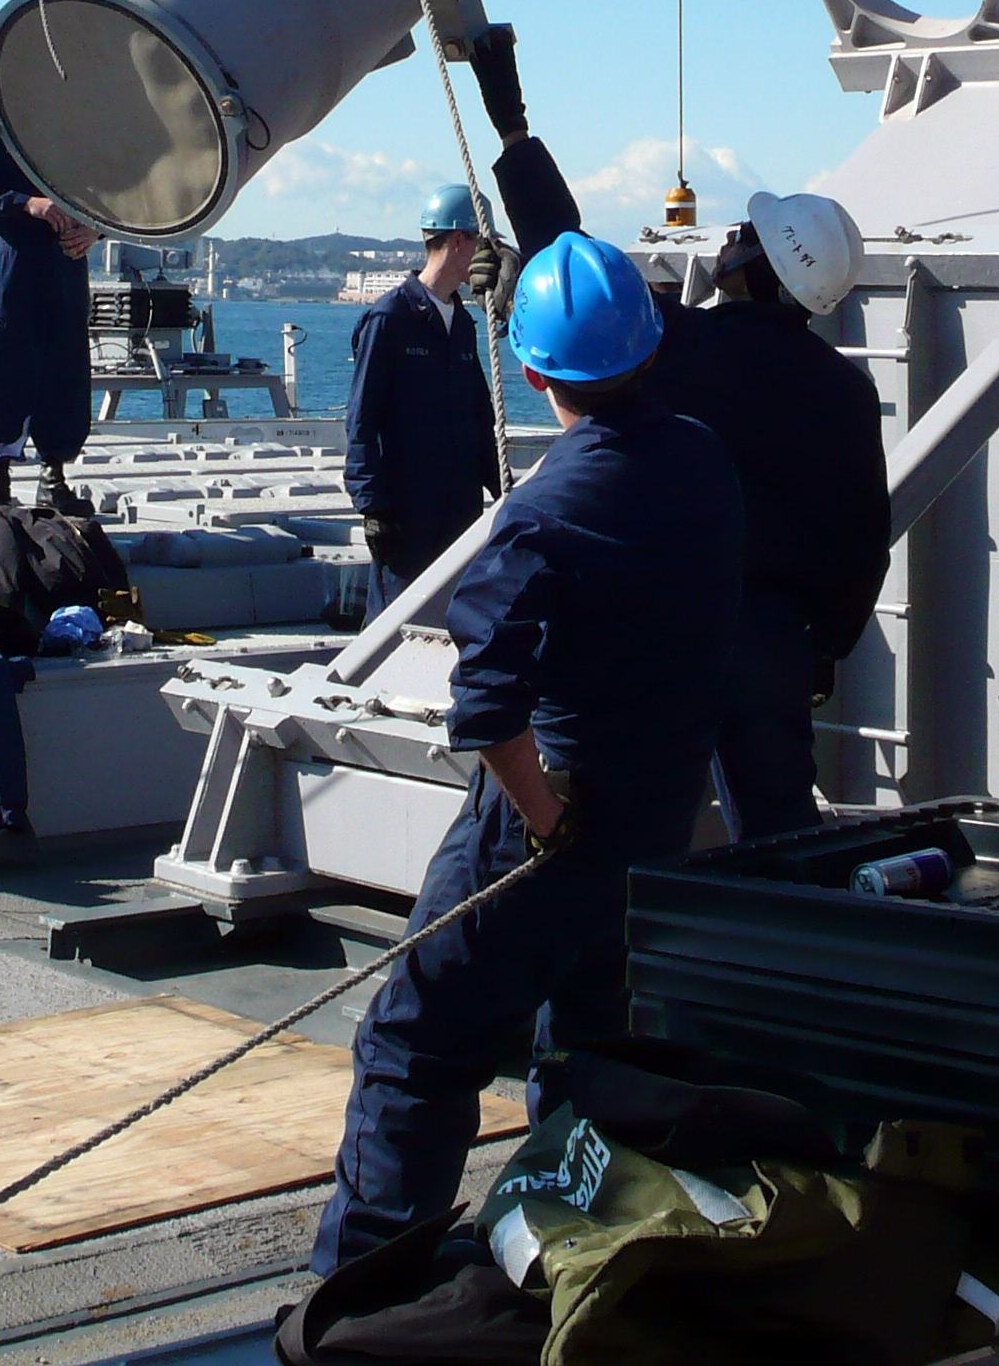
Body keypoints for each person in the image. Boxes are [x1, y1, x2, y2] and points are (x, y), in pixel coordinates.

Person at [313, 231, 744, 1274]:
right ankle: (569, 1253)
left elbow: (488, 701)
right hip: (658, 811)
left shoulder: (545, 511)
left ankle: (364, 1290)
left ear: (536, 369)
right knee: (593, 1047)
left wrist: (542, 815)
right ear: (649, 349)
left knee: (416, 1040)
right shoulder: (703, 460)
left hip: (555, 815)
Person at [643, 192, 888, 841]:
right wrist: (825, 646)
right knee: (779, 830)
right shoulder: (847, 392)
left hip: (670, 624)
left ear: (766, 265)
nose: (728, 238)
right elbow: (866, 545)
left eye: (744, 233)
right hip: (774, 640)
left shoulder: (680, 344)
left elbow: (583, 286)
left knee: (640, 821)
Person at [339, 182, 500, 620]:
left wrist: (502, 489)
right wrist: (372, 506)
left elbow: (479, 414)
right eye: (483, 245)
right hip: (408, 513)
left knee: (456, 618)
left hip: (459, 508)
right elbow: (361, 420)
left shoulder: (463, 324)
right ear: (459, 240)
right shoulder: (389, 320)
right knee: (396, 624)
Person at [0, 119, 98, 512]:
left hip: (66, 260)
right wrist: (25, 203)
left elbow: (123, 189)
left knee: (65, 366)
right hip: (10, 259)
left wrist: (97, 231)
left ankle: (54, 474)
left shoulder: (89, 118)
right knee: (2, 366)